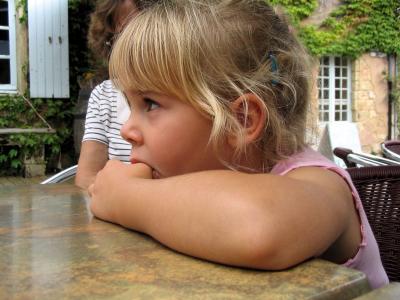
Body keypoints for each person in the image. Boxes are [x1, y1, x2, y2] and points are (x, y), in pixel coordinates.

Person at [88, 0, 388, 289]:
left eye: (150, 104)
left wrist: (125, 196)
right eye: (130, 104)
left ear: (241, 121)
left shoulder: (321, 183)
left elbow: (258, 226)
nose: (127, 130)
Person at [75, 0, 159, 189]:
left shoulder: (187, 91)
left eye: (138, 32)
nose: (125, 131)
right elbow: (86, 177)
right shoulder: (104, 95)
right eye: (118, 37)